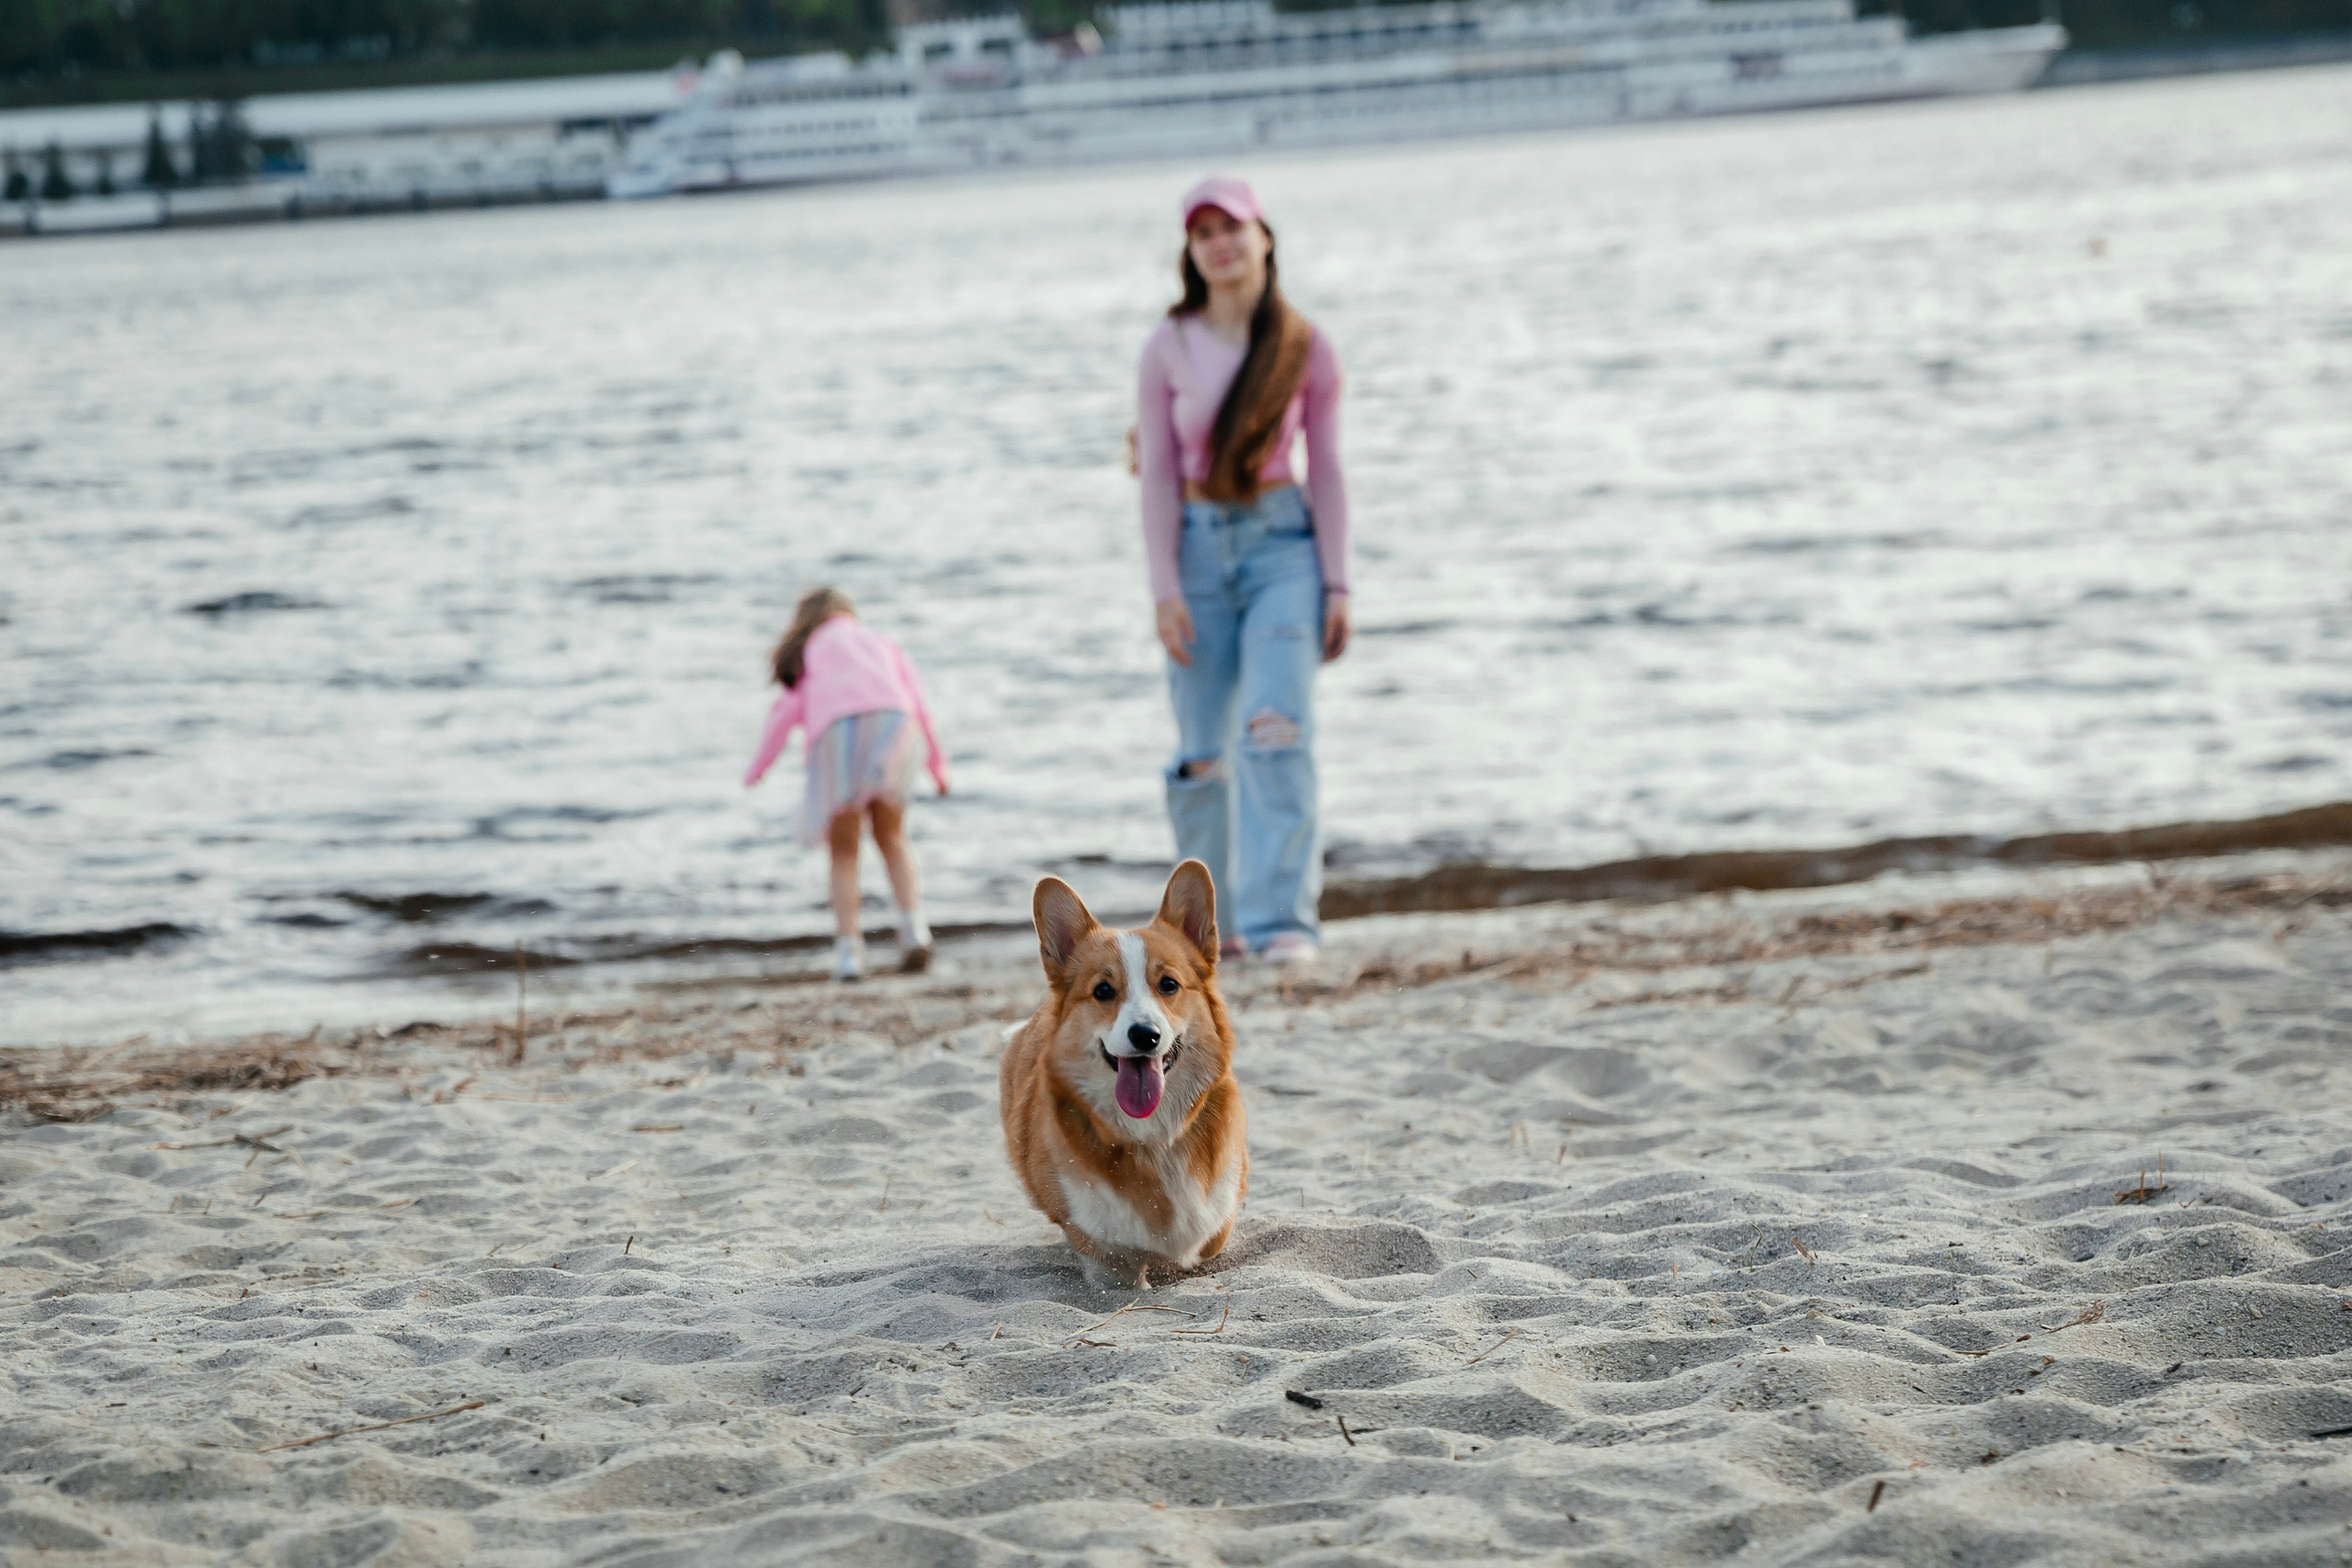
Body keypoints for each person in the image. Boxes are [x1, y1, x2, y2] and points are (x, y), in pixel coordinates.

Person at [1134, 175, 1351, 965]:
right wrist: (1163, 588)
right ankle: (1201, 938)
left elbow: (1325, 469)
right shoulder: (1167, 346)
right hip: (1194, 546)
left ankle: (1281, 921)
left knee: (1276, 730)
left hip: (1282, 547)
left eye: (1235, 227)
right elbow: (1156, 474)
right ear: (1192, 253)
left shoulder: (1304, 345)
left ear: (1265, 237)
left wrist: (1338, 582)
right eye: (1204, 232)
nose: (1221, 242)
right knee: (1202, 750)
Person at [745, 587, 949, 980]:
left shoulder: (811, 650)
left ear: (805, 621)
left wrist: (758, 768)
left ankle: (849, 952)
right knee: (892, 837)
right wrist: (938, 767)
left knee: (843, 851)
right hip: (895, 726)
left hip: (839, 734)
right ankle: (914, 931)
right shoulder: (881, 641)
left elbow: (784, 712)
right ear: (848, 612)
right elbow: (920, 704)